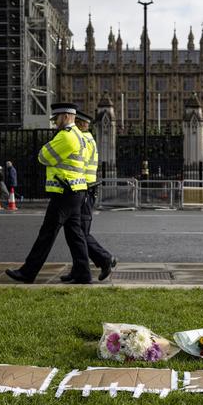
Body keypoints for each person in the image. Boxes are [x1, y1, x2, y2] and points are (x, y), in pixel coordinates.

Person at [5, 102, 91, 284]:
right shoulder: (79, 135)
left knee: (47, 233)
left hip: (64, 190)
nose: (54, 122)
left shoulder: (66, 137)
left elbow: (42, 156)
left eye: (57, 118)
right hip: (76, 190)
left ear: (66, 116)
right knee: (75, 235)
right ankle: (83, 273)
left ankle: (28, 272)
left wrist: (47, 149)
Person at [60, 110, 117, 283]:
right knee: (74, 234)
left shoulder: (83, 139)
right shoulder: (87, 139)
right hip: (84, 189)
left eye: (76, 122)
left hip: (83, 190)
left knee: (80, 233)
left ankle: (105, 259)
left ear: (82, 124)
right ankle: (78, 269)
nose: (73, 124)